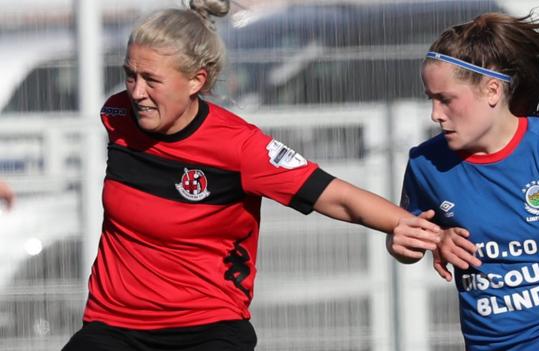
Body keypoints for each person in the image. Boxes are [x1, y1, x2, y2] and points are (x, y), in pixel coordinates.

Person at [61, 1, 443, 350]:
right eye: (130, 75)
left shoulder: (240, 147)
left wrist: (406, 224)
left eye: (151, 79)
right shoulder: (117, 116)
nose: (137, 92)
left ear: (196, 80)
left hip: (207, 331)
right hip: (113, 328)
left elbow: (332, 194)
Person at [398, 4, 539, 351]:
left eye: (446, 100)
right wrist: (421, 241)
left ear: (492, 91)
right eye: (431, 100)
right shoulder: (426, 164)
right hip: (495, 343)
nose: (435, 114)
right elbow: (410, 237)